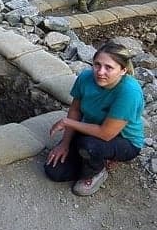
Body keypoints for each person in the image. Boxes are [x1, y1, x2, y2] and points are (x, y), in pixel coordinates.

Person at [46, 42, 144, 196]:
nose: (100, 72)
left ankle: (96, 171)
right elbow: (75, 110)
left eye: (109, 67)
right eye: (97, 65)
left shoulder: (129, 92)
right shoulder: (86, 78)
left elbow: (106, 134)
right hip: (92, 129)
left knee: (89, 146)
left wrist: (66, 122)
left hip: (123, 140)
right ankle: (93, 158)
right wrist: (65, 143)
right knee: (54, 171)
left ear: (123, 70)